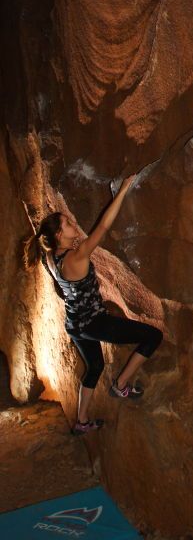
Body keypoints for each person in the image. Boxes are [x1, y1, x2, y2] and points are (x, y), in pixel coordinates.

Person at [23, 173, 163, 436]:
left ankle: (82, 421)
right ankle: (121, 385)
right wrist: (122, 191)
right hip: (93, 323)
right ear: (58, 234)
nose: (72, 222)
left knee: (95, 367)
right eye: (67, 223)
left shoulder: (51, 257)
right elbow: (102, 228)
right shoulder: (75, 257)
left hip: (74, 323)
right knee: (153, 336)